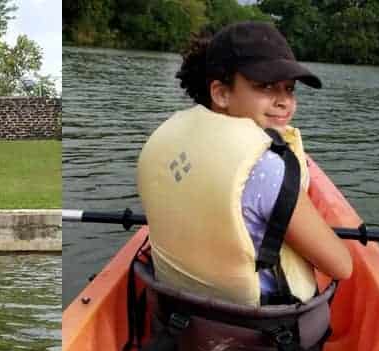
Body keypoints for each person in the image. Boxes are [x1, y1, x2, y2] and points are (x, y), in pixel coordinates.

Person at [138, 21, 352, 306]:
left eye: (289, 89)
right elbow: (342, 267)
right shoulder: (267, 168)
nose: (284, 102)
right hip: (257, 332)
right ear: (221, 93)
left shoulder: (171, 141)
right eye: (265, 86)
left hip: (178, 317)